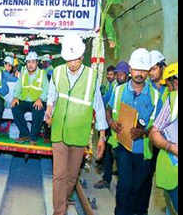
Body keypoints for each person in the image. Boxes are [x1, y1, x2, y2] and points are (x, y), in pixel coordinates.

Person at [44, 34, 108, 215]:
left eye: (76, 59)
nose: (72, 64)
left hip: (79, 135)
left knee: (71, 177)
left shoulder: (91, 77)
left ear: (82, 57)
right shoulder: (57, 72)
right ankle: (59, 211)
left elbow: (99, 106)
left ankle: (62, 201)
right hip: (58, 132)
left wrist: (102, 136)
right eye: (69, 60)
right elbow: (51, 95)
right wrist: (49, 109)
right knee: (59, 176)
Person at [106, 48, 162, 215]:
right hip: (122, 146)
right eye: (137, 69)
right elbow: (108, 109)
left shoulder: (155, 96)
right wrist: (111, 122)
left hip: (143, 151)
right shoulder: (119, 91)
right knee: (125, 186)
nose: (140, 74)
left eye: (143, 70)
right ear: (130, 69)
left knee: (138, 188)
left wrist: (144, 132)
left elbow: (158, 125)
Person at [138, 49, 170, 215]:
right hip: (149, 139)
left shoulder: (171, 86)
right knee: (145, 178)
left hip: (168, 141)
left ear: (162, 66)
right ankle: (142, 211)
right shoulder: (146, 88)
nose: (150, 73)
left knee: (168, 180)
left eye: (153, 69)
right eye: (148, 69)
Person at [93, 61, 130, 189]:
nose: (119, 76)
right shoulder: (115, 87)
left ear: (127, 74)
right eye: (117, 74)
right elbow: (108, 105)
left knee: (123, 159)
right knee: (108, 154)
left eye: (121, 74)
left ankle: (123, 186)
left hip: (125, 130)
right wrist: (109, 121)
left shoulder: (131, 88)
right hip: (112, 127)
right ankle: (106, 179)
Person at [149, 62, 178, 215]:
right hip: (172, 169)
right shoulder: (172, 100)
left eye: (169, 85)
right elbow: (155, 131)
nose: (168, 89)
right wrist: (171, 147)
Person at [11, 52, 49, 145]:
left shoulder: (42, 73)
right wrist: (15, 97)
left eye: (33, 62)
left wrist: (40, 99)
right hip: (24, 99)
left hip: (37, 100)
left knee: (38, 109)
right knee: (15, 107)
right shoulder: (23, 73)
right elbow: (18, 86)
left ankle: (33, 137)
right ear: (26, 63)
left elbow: (46, 89)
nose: (30, 64)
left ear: (37, 63)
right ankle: (25, 134)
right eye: (28, 62)